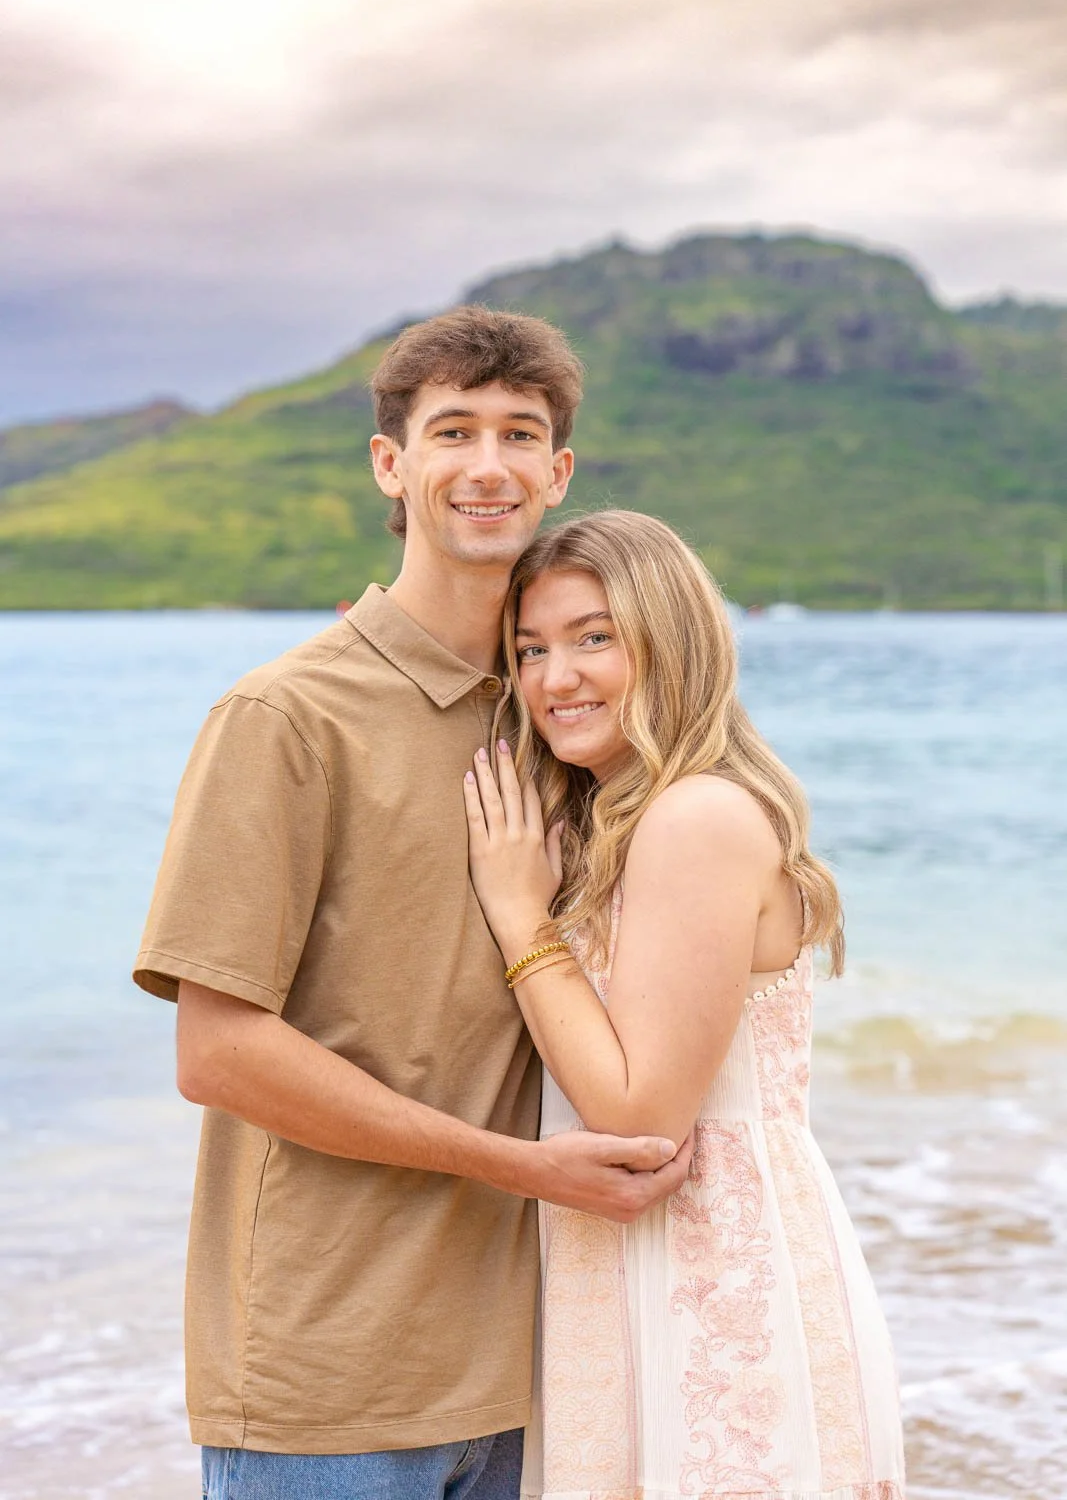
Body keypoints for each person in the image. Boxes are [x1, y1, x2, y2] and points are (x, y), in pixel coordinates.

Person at [132, 312, 692, 1500]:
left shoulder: (559, 715)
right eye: (452, 431)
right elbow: (217, 1052)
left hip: (530, 1368)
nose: (487, 464)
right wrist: (521, 1166)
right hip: (327, 1379)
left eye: (518, 434)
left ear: (558, 471)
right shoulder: (284, 718)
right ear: (391, 464)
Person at [463, 509, 907, 1500]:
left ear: (671, 641)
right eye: (530, 649)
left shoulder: (695, 816)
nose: (554, 679)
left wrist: (516, 912)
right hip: (642, 1261)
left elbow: (638, 1114)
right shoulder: (619, 818)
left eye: (593, 638)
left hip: (706, 1279)